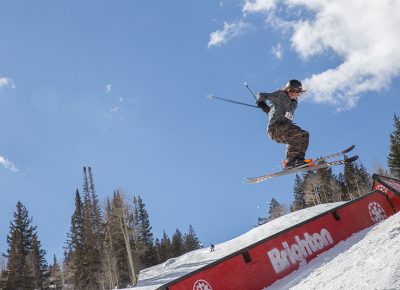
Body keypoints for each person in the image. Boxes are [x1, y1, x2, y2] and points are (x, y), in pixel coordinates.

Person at [256, 79, 310, 169]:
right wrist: (262, 104)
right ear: (287, 89)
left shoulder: (294, 104)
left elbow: (280, 111)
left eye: (297, 92)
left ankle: (298, 160)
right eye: (291, 90)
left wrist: (273, 110)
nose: (294, 93)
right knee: (296, 131)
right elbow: (261, 95)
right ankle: (291, 160)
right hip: (274, 129)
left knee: (304, 134)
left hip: (284, 130)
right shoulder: (280, 95)